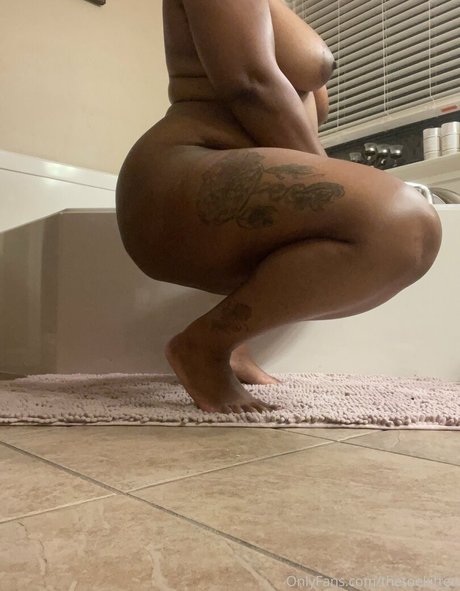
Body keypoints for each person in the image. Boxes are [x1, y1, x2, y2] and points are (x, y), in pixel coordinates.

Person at [115, 0, 442, 414]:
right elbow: (250, 83)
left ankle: (232, 341)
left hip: (230, 176)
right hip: (181, 172)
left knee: (412, 241)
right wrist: (341, 185)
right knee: (404, 224)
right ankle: (203, 347)